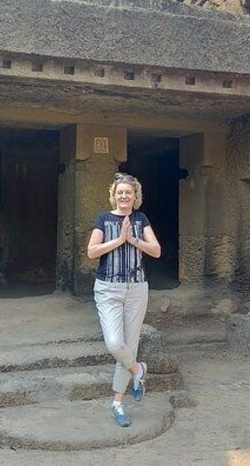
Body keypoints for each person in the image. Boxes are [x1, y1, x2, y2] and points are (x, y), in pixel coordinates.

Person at [87, 172, 161, 427]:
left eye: (129, 192)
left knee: (129, 346)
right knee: (115, 344)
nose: (124, 196)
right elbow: (91, 251)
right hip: (108, 288)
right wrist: (119, 240)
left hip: (137, 288)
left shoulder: (141, 219)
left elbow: (156, 250)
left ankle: (117, 403)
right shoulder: (103, 219)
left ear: (135, 196)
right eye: (120, 192)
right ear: (114, 195)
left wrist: (133, 240)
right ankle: (138, 370)